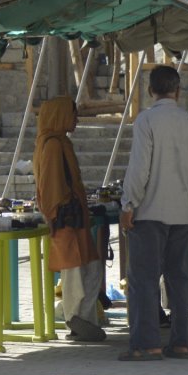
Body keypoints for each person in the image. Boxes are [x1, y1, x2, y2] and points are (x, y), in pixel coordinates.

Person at [119, 65, 188, 360]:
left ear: (150, 91)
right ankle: (181, 341)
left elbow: (139, 169)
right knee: (179, 279)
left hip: (150, 212)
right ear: (178, 91)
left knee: (144, 279)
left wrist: (128, 204)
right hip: (183, 214)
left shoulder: (146, 120)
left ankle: (147, 344)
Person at [34, 96, 105, 342]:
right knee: (74, 273)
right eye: (72, 115)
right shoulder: (53, 144)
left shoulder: (60, 142)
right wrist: (55, 215)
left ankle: (83, 319)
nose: (75, 120)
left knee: (90, 267)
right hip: (66, 220)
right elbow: (51, 186)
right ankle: (76, 321)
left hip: (75, 218)